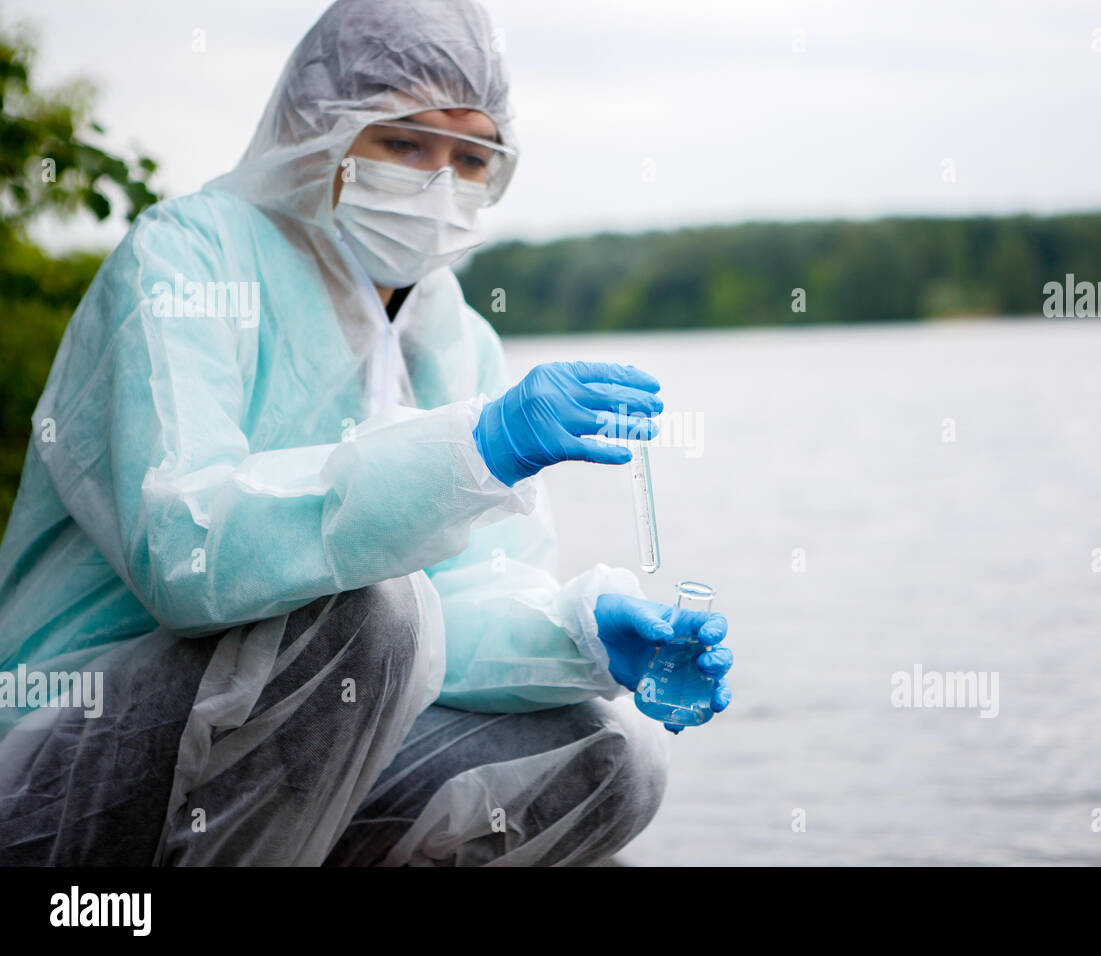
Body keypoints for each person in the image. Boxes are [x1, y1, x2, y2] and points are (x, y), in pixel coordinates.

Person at [0, 0, 732, 866]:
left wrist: (581, 632)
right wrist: (472, 451)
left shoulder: (456, 334)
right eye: (406, 144)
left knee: (613, 751)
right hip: (82, 737)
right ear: (321, 126)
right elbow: (183, 552)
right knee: (373, 611)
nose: (441, 184)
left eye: (472, 158)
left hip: (314, 745)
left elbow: (455, 614)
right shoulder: (189, 258)